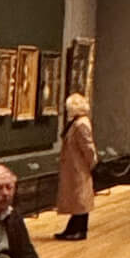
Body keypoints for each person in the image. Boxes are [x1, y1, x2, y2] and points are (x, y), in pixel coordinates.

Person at [54, 92, 96, 239]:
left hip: (79, 167)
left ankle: (79, 230)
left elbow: (88, 147)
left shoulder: (81, 124)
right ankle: (73, 229)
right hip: (74, 166)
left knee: (80, 199)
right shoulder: (76, 122)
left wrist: (92, 163)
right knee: (77, 199)